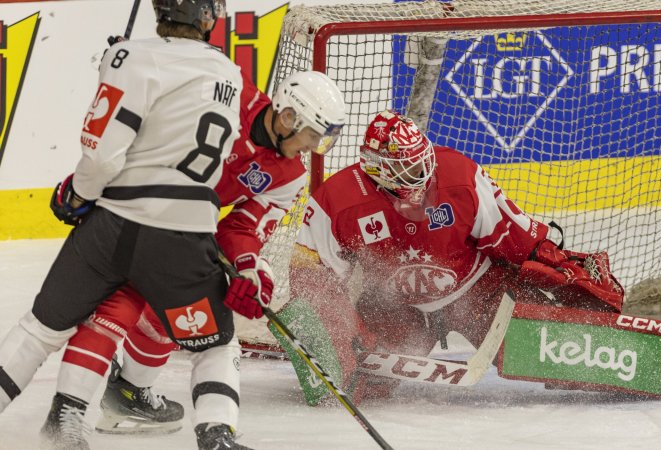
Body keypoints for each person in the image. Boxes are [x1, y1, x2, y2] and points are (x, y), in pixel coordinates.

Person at [0, 1, 248, 449]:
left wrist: (78, 194)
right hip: (182, 237)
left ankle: (64, 419)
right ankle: (216, 434)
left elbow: (102, 156)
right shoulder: (230, 72)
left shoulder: (131, 56)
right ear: (209, 17)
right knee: (215, 344)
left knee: (40, 330)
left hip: (113, 227)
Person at [49, 69, 346, 440]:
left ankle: (127, 393)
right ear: (289, 117)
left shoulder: (289, 175)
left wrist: (248, 268)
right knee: (109, 310)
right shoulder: (229, 90)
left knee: (179, 312)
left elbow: (243, 228)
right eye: (312, 135)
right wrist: (90, 181)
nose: (311, 147)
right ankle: (65, 416)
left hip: (179, 231)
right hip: (132, 202)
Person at [286, 110, 625, 404]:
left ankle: (619, 358)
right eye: (408, 169)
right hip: (394, 307)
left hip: (479, 292)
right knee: (366, 381)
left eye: (422, 162)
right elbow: (312, 276)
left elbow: (512, 233)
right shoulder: (337, 202)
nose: (421, 175)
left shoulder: (460, 177)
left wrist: (557, 263)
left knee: (546, 352)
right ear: (378, 170)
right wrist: (337, 333)